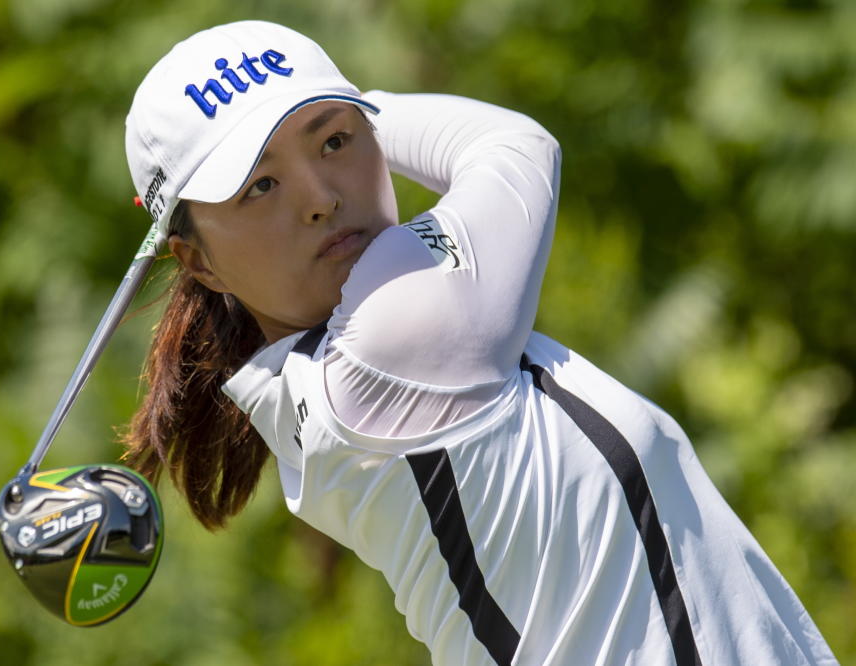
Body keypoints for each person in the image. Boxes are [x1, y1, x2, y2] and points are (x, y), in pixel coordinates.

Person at [121, 20, 837, 665]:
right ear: (199, 262)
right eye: (260, 186)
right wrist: (351, 105)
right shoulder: (393, 335)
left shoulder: (320, 377)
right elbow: (515, 143)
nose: (320, 197)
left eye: (334, 142)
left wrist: (325, 104)